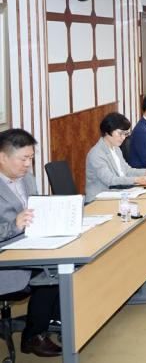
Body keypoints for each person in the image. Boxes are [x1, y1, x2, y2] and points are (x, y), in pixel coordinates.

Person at [0, 129, 61, 357]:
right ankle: (34, 336)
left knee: (69, 261)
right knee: (51, 274)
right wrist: (14, 225)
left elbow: (36, 207)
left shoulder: (27, 177)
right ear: (3, 157)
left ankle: (56, 319)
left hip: (32, 245)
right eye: (23, 159)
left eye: (31, 158)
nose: (28, 164)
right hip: (6, 257)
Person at [85, 113, 146, 203]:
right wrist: (136, 180)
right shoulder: (97, 154)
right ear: (107, 131)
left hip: (117, 194)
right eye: (120, 133)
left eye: (125, 134)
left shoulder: (116, 148)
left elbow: (127, 171)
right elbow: (110, 180)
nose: (123, 138)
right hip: (97, 201)